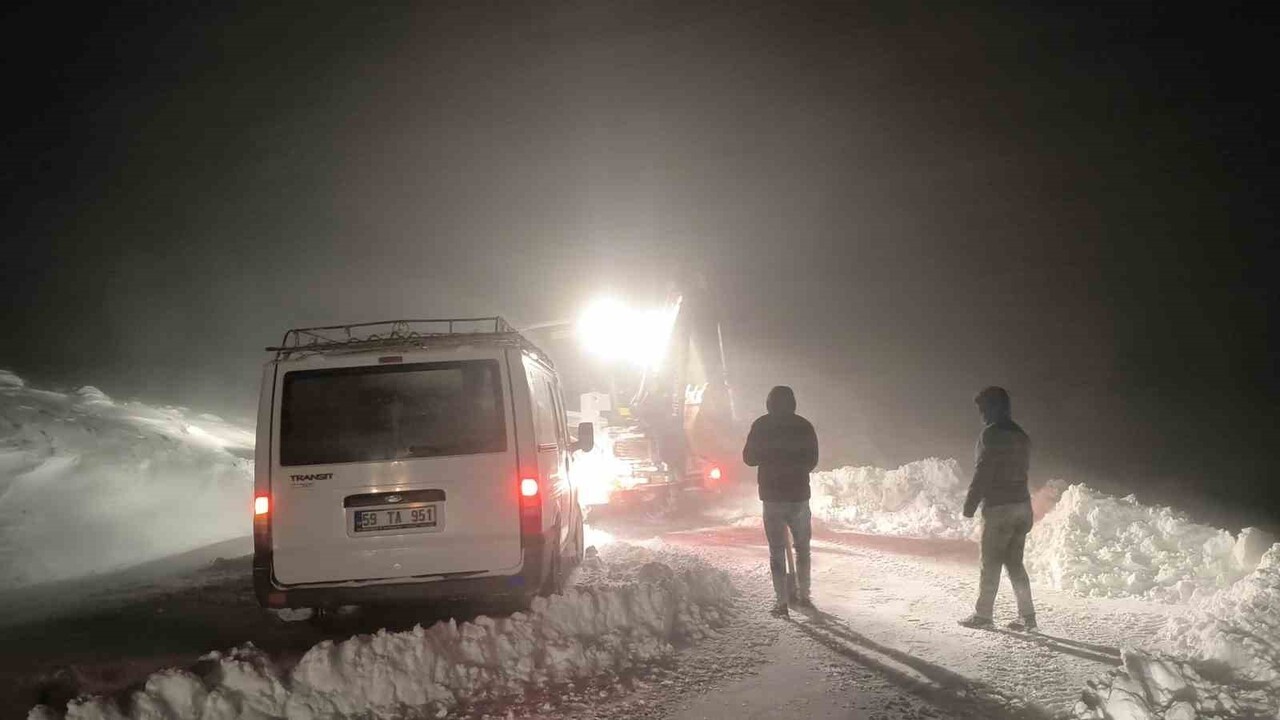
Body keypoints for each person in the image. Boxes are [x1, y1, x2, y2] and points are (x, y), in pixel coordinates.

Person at [959, 386, 1037, 631]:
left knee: (990, 562)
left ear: (993, 407)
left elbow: (984, 471)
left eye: (983, 409)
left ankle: (983, 615)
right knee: (1015, 563)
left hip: (1000, 508)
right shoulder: (1022, 436)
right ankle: (1028, 616)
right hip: (1022, 506)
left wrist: (970, 504)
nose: (981, 415)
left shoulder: (991, 434)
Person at [742, 386, 819, 617]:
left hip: (772, 498)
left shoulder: (761, 426)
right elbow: (812, 461)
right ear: (793, 403)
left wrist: (769, 456)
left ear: (769, 403)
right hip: (798, 496)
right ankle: (804, 596)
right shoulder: (804, 426)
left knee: (776, 550)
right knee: (802, 548)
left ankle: (781, 603)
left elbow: (748, 459)